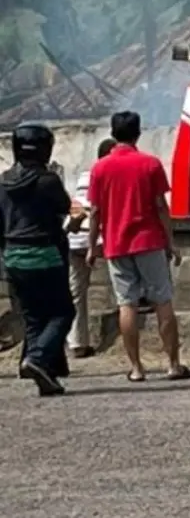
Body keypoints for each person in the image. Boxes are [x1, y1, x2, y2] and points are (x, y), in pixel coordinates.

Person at [87, 111, 190, 383]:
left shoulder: (100, 168)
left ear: (113, 133)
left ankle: (136, 368)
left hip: (116, 243)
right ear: (138, 133)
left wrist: (91, 245)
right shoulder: (150, 164)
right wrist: (171, 242)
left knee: (127, 304)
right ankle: (173, 364)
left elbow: (95, 211)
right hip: (148, 241)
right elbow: (161, 206)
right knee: (162, 301)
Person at [0, 123, 75, 396]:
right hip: (45, 253)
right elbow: (64, 207)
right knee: (63, 312)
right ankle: (38, 359)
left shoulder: (3, 181)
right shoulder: (47, 180)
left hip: (13, 256)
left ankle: (43, 374)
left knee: (33, 317)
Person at [63, 137, 117, 358]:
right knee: (125, 281)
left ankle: (77, 343)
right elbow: (100, 210)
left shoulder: (85, 175)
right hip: (101, 237)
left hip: (74, 238)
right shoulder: (112, 174)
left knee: (76, 291)